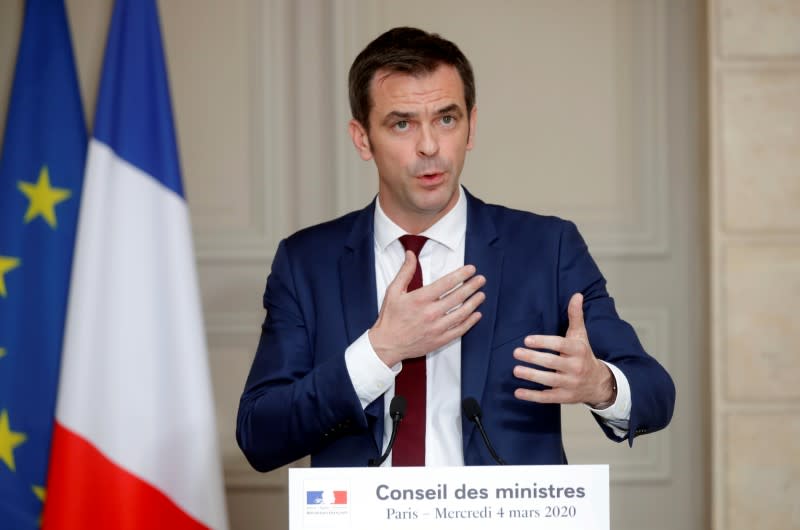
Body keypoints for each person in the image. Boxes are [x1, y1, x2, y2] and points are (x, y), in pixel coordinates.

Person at [236, 27, 675, 471]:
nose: (429, 147)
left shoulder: (546, 248)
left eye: (446, 119)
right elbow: (260, 435)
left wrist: (601, 384)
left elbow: (656, 394)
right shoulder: (307, 262)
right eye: (402, 123)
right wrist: (378, 352)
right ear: (362, 138)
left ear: (471, 127)